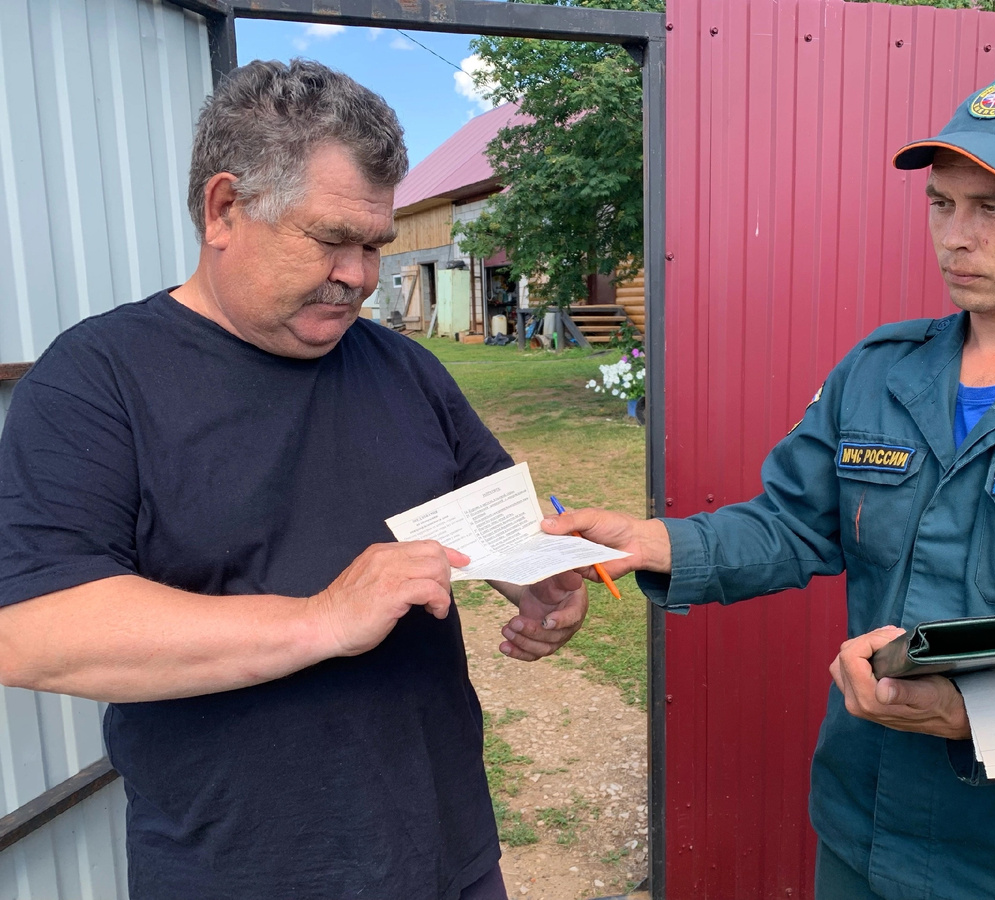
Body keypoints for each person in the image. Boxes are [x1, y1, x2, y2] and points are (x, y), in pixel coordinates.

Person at [544, 67, 995, 899]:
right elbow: (791, 523)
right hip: (866, 830)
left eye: (994, 208)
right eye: (941, 203)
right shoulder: (881, 371)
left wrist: (980, 715)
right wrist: (654, 540)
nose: (956, 236)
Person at [0, 59, 587, 900]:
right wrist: (321, 619)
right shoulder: (97, 380)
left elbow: (489, 512)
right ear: (224, 209)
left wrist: (537, 576)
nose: (359, 276)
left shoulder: (404, 367)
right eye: (329, 239)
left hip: (445, 852)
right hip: (239, 872)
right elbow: (33, 629)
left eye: (374, 246)